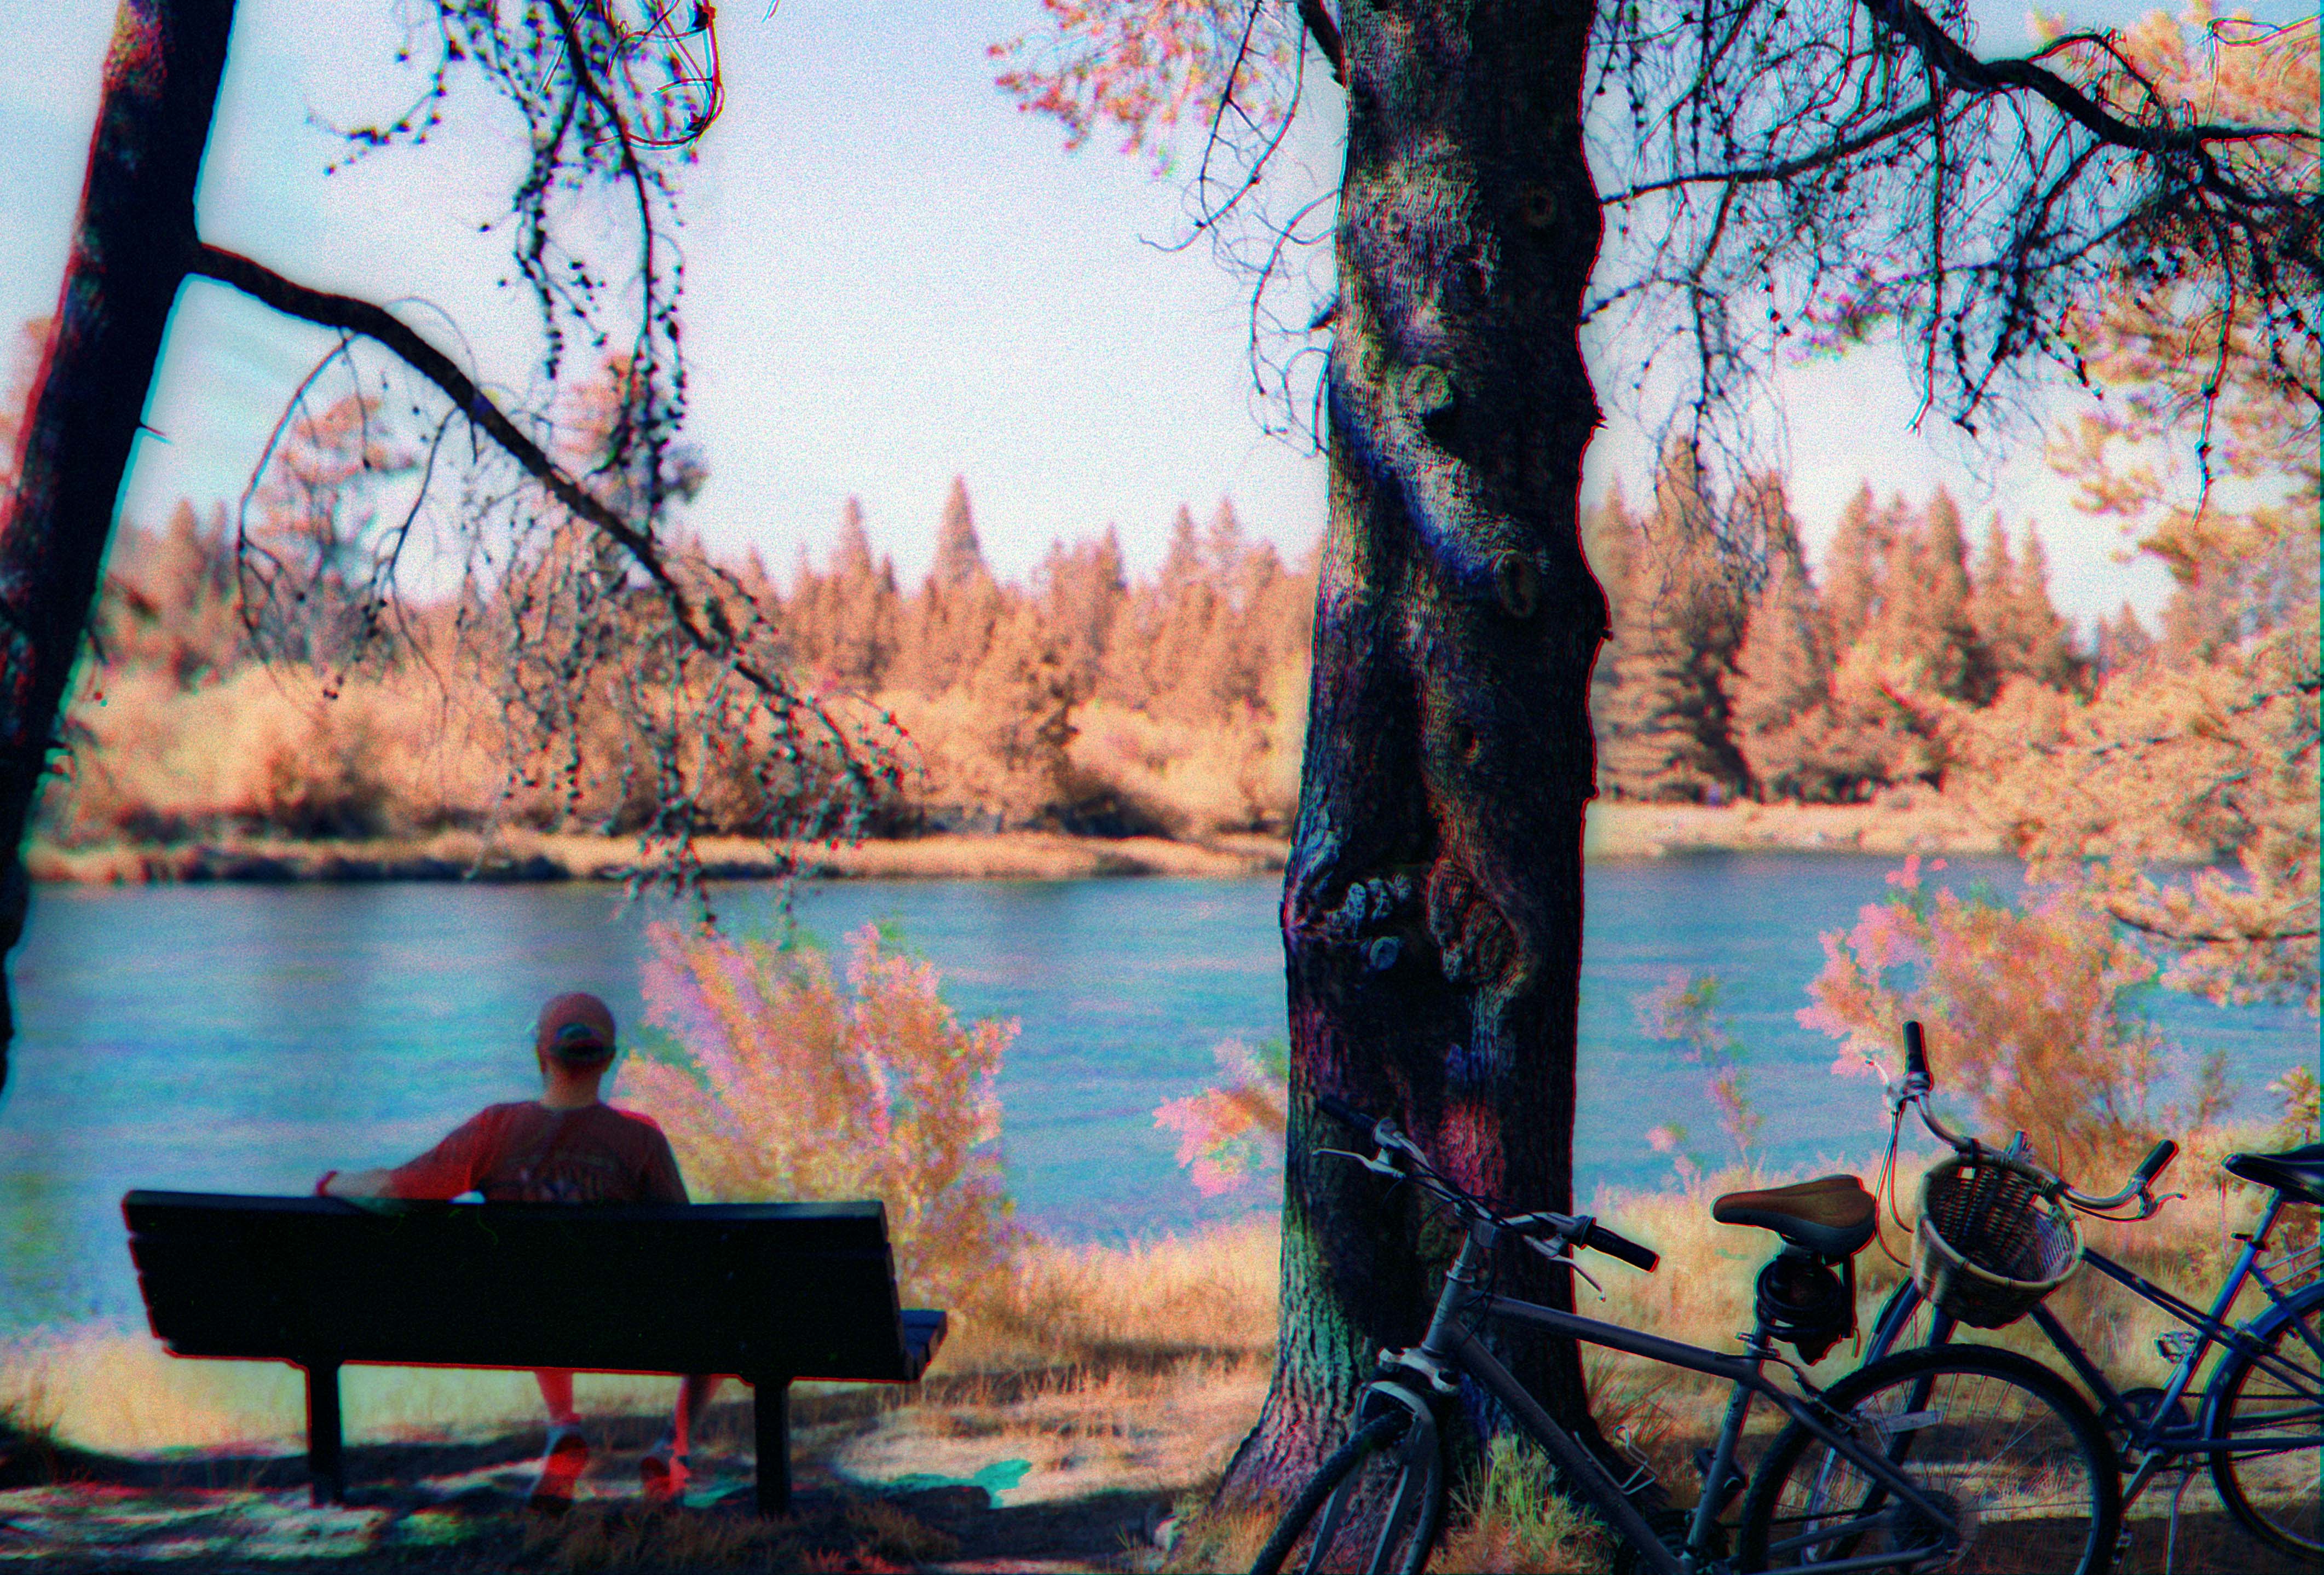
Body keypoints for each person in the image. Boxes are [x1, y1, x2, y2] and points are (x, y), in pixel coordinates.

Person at [316, 991, 718, 1509]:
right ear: (608, 1060)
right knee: (723, 1302)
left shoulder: (496, 1130)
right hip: (622, 1322)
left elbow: (399, 1192)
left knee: (544, 1287)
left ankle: (562, 1427)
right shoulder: (640, 1140)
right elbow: (686, 1246)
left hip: (521, 1320)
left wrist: (333, 1182)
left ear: (540, 1055)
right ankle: (675, 1448)